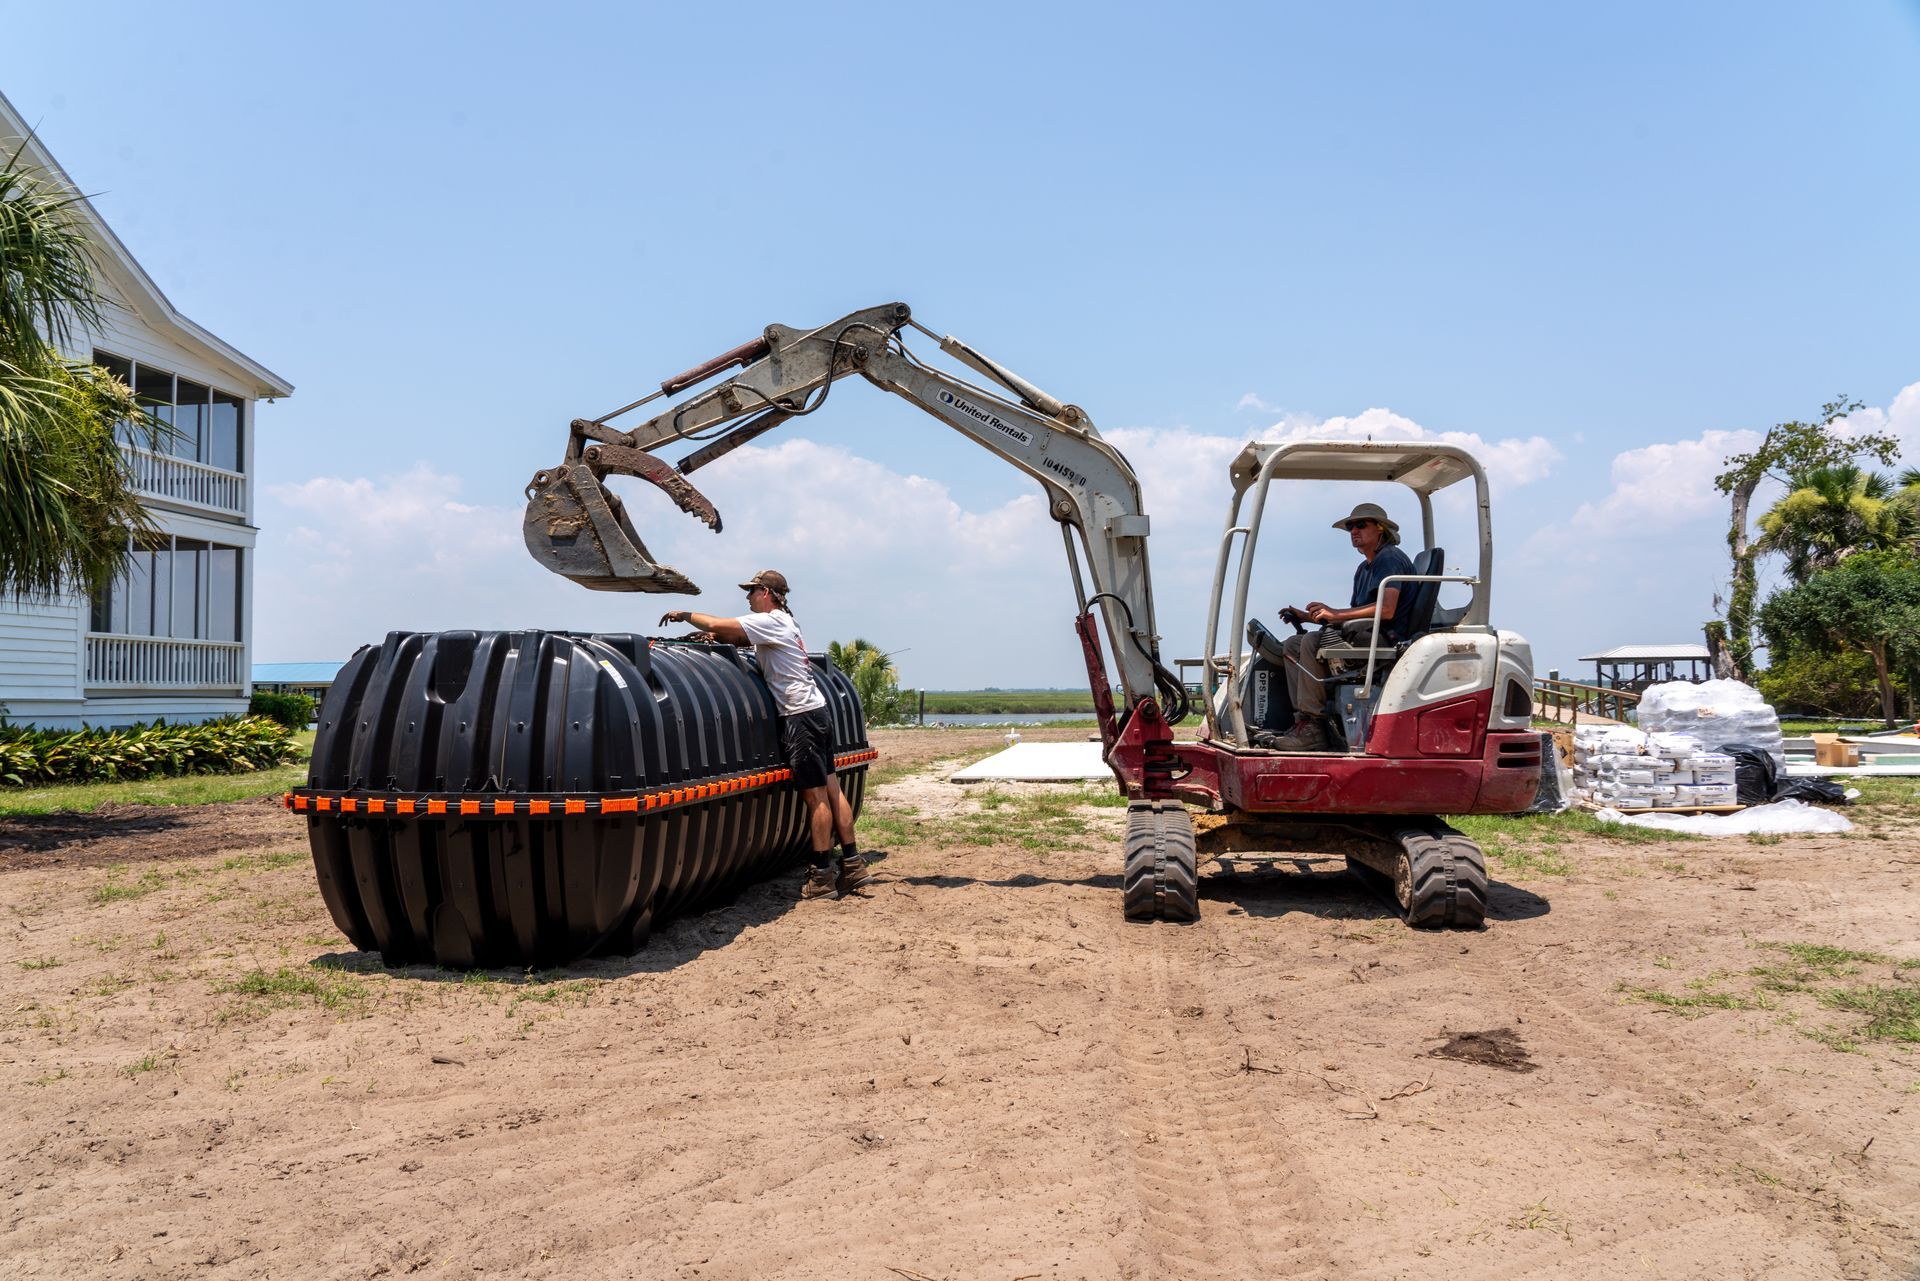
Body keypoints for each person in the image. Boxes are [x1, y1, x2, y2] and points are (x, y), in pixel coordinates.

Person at [659, 570, 866, 900]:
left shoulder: (772, 621)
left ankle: (822, 875)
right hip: (817, 710)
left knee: (816, 799)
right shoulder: (786, 623)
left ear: (767, 592)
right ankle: (853, 866)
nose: (748, 596)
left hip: (800, 716)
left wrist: (684, 615)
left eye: (752, 591)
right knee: (831, 788)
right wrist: (723, 640)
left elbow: (720, 624)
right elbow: (740, 638)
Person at [1269, 503, 1416, 752]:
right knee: (1293, 644)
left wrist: (1335, 614)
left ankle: (1315, 727)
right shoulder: (1364, 568)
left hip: (1386, 638)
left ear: (1380, 529)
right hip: (1364, 633)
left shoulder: (1389, 559)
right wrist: (1308, 617)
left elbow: (1387, 609)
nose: (1354, 531)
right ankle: (1305, 722)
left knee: (1311, 642)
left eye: (1361, 525)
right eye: (1350, 527)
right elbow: (1352, 616)